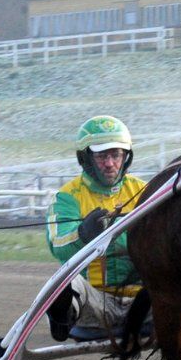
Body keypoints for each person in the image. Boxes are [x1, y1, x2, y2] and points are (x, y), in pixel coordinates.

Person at [44, 116, 148, 340]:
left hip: (145, 300)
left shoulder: (145, 192)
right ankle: (63, 318)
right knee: (60, 282)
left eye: (116, 155)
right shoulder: (67, 197)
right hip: (94, 302)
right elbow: (58, 245)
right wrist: (82, 234)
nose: (110, 163)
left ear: (126, 157)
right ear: (86, 158)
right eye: (102, 156)